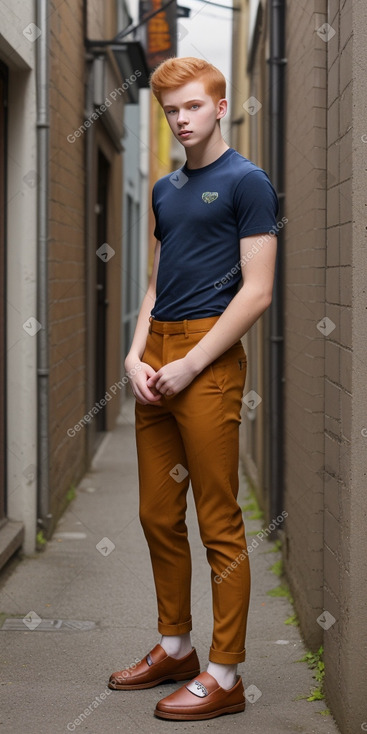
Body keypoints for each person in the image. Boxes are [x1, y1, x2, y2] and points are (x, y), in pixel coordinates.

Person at [108, 56, 279, 721]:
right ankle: (175, 645)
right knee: (156, 514)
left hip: (207, 360)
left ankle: (225, 673)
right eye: (170, 110)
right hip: (157, 357)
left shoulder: (247, 182)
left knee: (218, 522)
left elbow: (257, 291)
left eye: (191, 107)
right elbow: (156, 284)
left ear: (218, 104)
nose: (180, 119)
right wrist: (133, 355)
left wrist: (192, 362)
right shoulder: (164, 188)